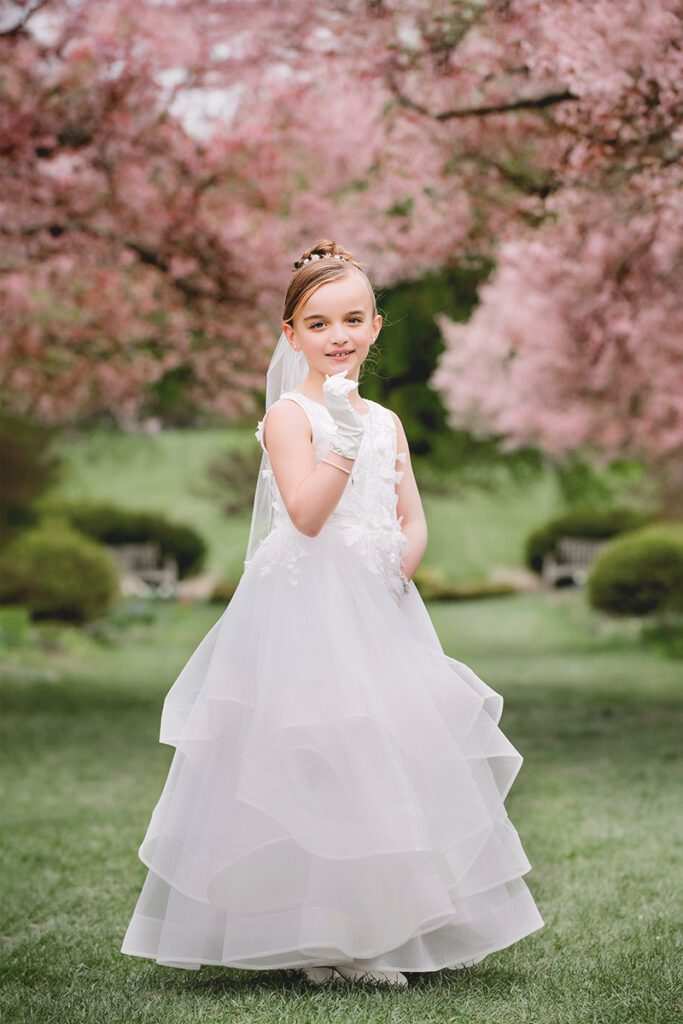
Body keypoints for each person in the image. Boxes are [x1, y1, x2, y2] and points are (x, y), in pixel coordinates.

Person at [120, 239, 544, 988]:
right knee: (315, 756)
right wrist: (340, 442)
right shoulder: (291, 416)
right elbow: (308, 515)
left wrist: (393, 571)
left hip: (375, 606)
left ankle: (377, 926)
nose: (338, 335)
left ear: (376, 325)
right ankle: (319, 936)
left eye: (352, 318)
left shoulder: (385, 420)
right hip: (302, 611)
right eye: (318, 324)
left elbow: (410, 518)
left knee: (387, 756)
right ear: (291, 336)